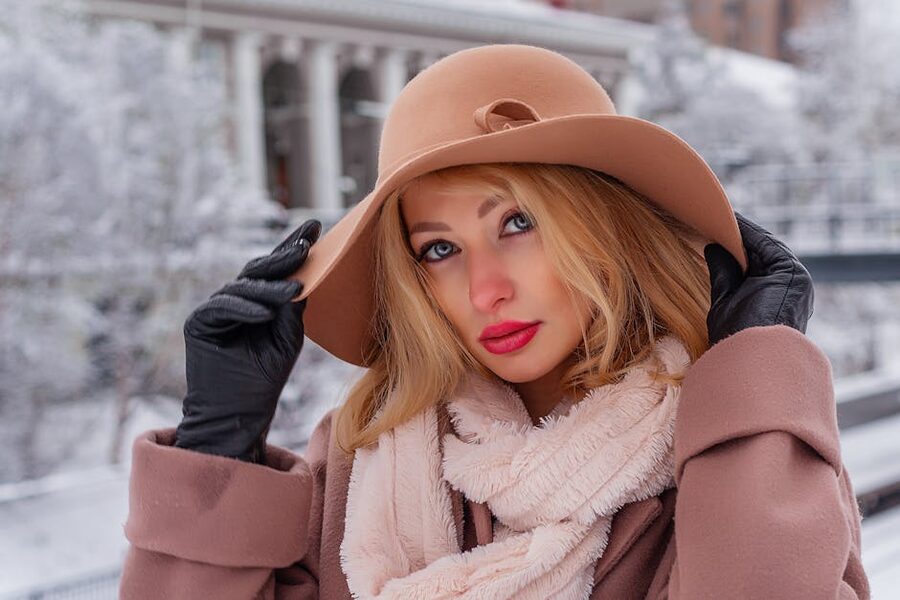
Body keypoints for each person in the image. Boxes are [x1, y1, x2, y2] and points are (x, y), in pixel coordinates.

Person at [118, 45, 870, 599]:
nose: (485, 290)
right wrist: (218, 447)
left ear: (606, 232)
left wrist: (746, 375)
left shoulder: (727, 455)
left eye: (517, 224)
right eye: (439, 249)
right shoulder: (362, 462)